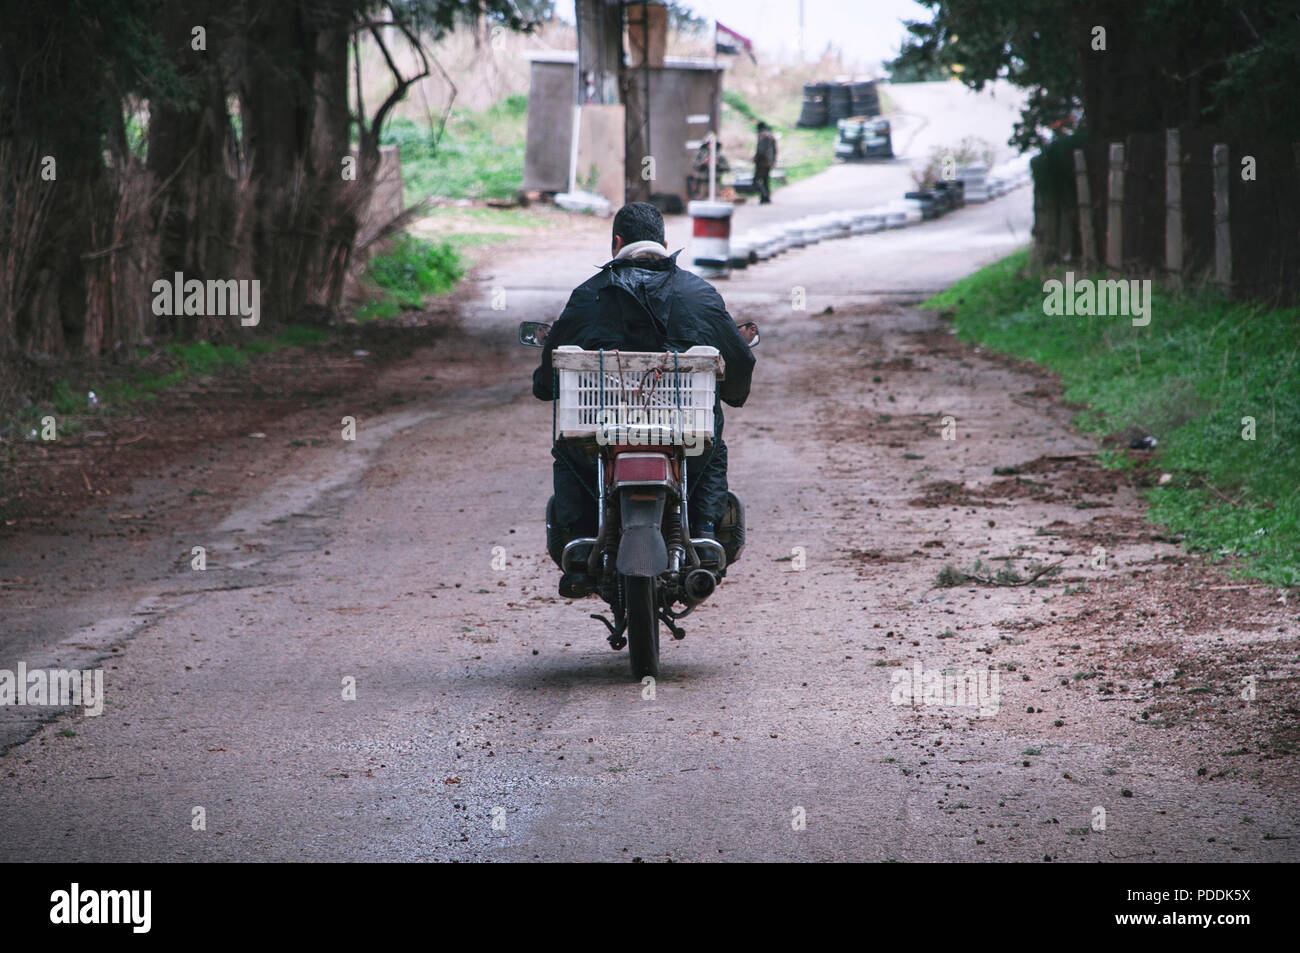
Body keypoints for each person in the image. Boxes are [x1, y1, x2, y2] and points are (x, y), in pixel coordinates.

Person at [532, 202, 756, 597]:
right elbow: (738, 357)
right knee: (711, 448)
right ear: (665, 244)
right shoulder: (699, 294)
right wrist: (734, 393)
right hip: (683, 428)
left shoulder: (589, 296)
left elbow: (552, 365)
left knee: (569, 451)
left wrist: (545, 385)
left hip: (603, 428)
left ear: (616, 242)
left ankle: (580, 539)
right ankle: (703, 534)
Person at [689, 133, 729, 200]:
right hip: (703, 183)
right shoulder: (700, 154)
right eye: (709, 143)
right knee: (701, 199)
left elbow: (726, 168)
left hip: (716, 183)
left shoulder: (719, 156)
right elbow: (694, 166)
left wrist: (718, 164)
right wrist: (703, 163)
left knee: (717, 199)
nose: (711, 145)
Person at [753, 121, 777, 204]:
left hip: (762, 162)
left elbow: (761, 150)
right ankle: (766, 197)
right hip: (769, 162)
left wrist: (756, 158)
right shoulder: (771, 135)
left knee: (758, 180)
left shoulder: (762, 136)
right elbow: (775, 151)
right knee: (766, 180)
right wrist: (773, 161)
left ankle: (764, 196)